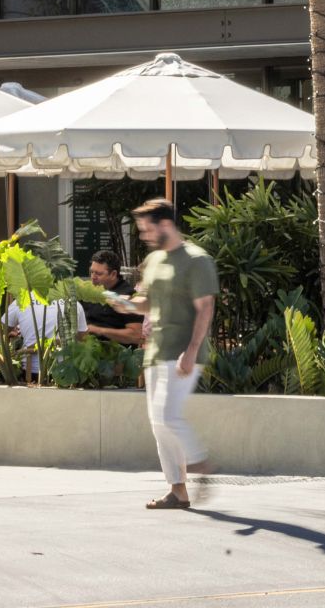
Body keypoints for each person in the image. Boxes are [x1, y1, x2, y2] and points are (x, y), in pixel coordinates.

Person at [124, 198, 218, 511]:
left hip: (183, 353)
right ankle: (178, 491)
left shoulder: (197, 260)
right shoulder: (153, 261)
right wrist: (123, 304)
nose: (144, 235)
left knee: (168, 416)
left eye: (147, 229)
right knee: (158, 423)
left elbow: (205, 307)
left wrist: (191, 351)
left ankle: (201, 464)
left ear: (165, 224)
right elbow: (148, 302)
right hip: (155, 351)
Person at [3, 288, 87, 381]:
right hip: (66, 373)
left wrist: (13, 333)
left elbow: (0, 331)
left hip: (30, 372)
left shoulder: (21, 301)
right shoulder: (74, 304)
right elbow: (83, 339)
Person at [82, 250, 145, 347]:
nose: (93, 277)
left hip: (117, 353)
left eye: (98, 274)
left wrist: (100, 330)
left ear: (113, 274)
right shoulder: (89, 291)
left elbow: (135, 335)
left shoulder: (127, 296)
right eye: (91, 272)